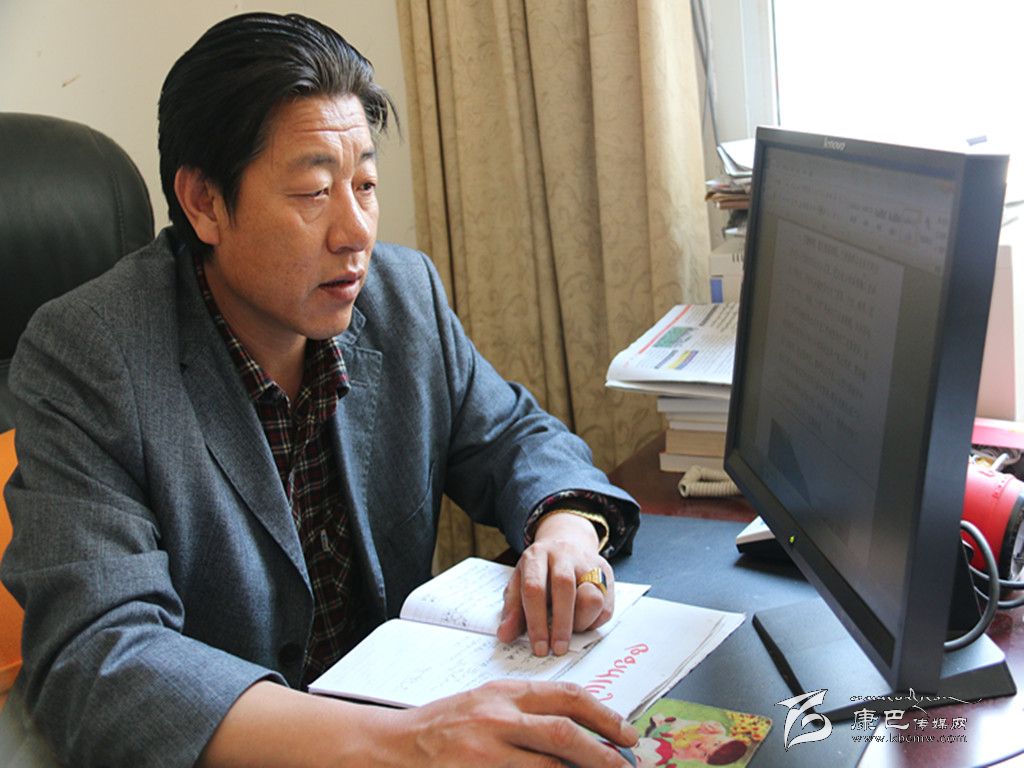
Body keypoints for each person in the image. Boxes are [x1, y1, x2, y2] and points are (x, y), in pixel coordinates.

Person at [0, 12, 642, 768]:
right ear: (204, 202)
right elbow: (102, 657)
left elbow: (512, 437)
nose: (356, 231)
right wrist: (407, 743)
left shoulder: (400, 295)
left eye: (365, 184)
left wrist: (565, 533)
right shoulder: (90, 356)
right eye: (312, 192)